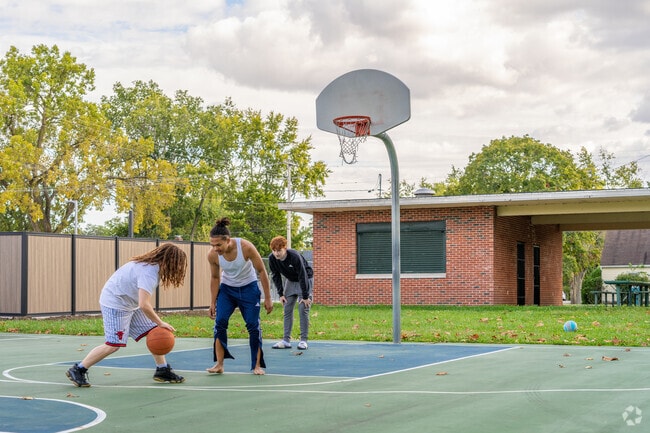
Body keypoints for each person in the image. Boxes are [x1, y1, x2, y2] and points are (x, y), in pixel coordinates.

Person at [65, 243, 188, 387]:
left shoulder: (150, 265)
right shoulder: (149, 272)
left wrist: (157, 325)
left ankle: (162, 370)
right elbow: (144, 304)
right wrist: (161, 322)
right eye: (178, 264)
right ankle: (78, 369)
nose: (179, 268)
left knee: (154, 332)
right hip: (115, 303)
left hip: (128, 302)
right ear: (170, 261)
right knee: (113, 344)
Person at [206, 217, 273, 375]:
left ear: (227, 240)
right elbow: (215, 278)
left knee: (252, 325)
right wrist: (212, 302)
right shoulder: (213, 255)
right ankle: (219, 364)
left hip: (249, 288)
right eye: (212, 245)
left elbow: (262, 271)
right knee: (220, 322)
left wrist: (268, 298)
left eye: (218, 245)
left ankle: (256, 366)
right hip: (227, 290)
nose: (215, 248)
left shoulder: (245, 247)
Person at [268, 235, 313, 350]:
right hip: (290, 281)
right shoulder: (272, 259)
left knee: (303, 308)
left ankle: (303, 341)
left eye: (279, 250)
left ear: (285, 248)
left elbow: (302, 275)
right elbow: (276, 275)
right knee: (287, 308)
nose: (276, 253)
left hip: (305, 279)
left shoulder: (294, 256)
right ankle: (286, 340)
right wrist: (281, 294)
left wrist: (305, 295)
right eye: (274, 251)